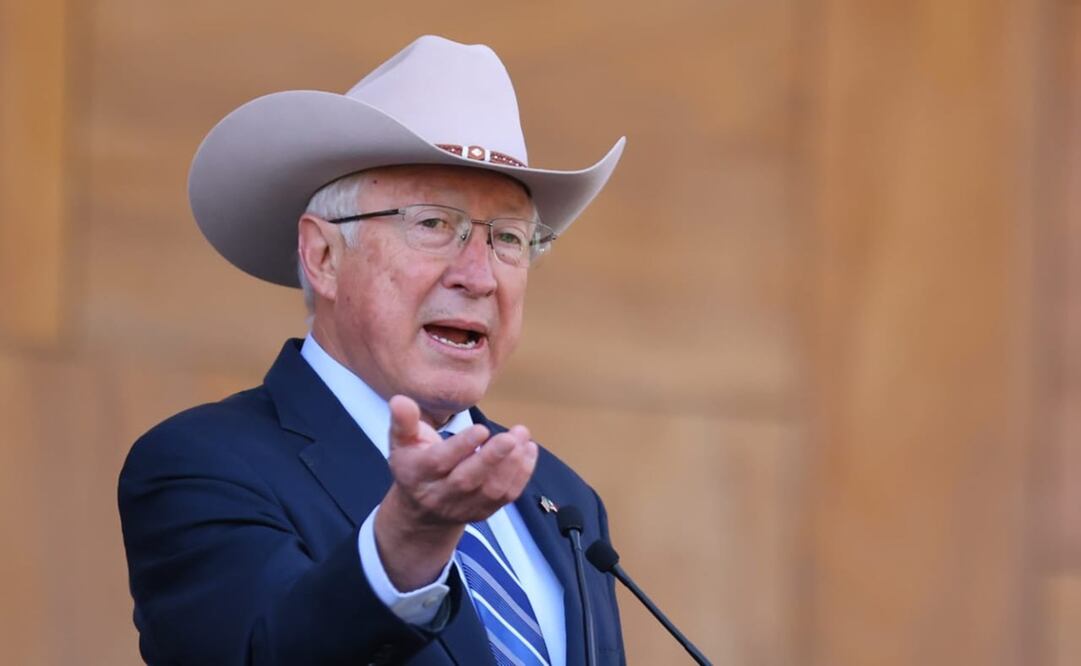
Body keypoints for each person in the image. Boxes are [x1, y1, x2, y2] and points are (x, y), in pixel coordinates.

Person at [119, 35, 627, 665]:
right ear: (324, 256)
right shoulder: (202, 464)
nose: (480, 275)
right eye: (434, 225)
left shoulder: (564, 501)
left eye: (508, 238)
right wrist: (409, 542)